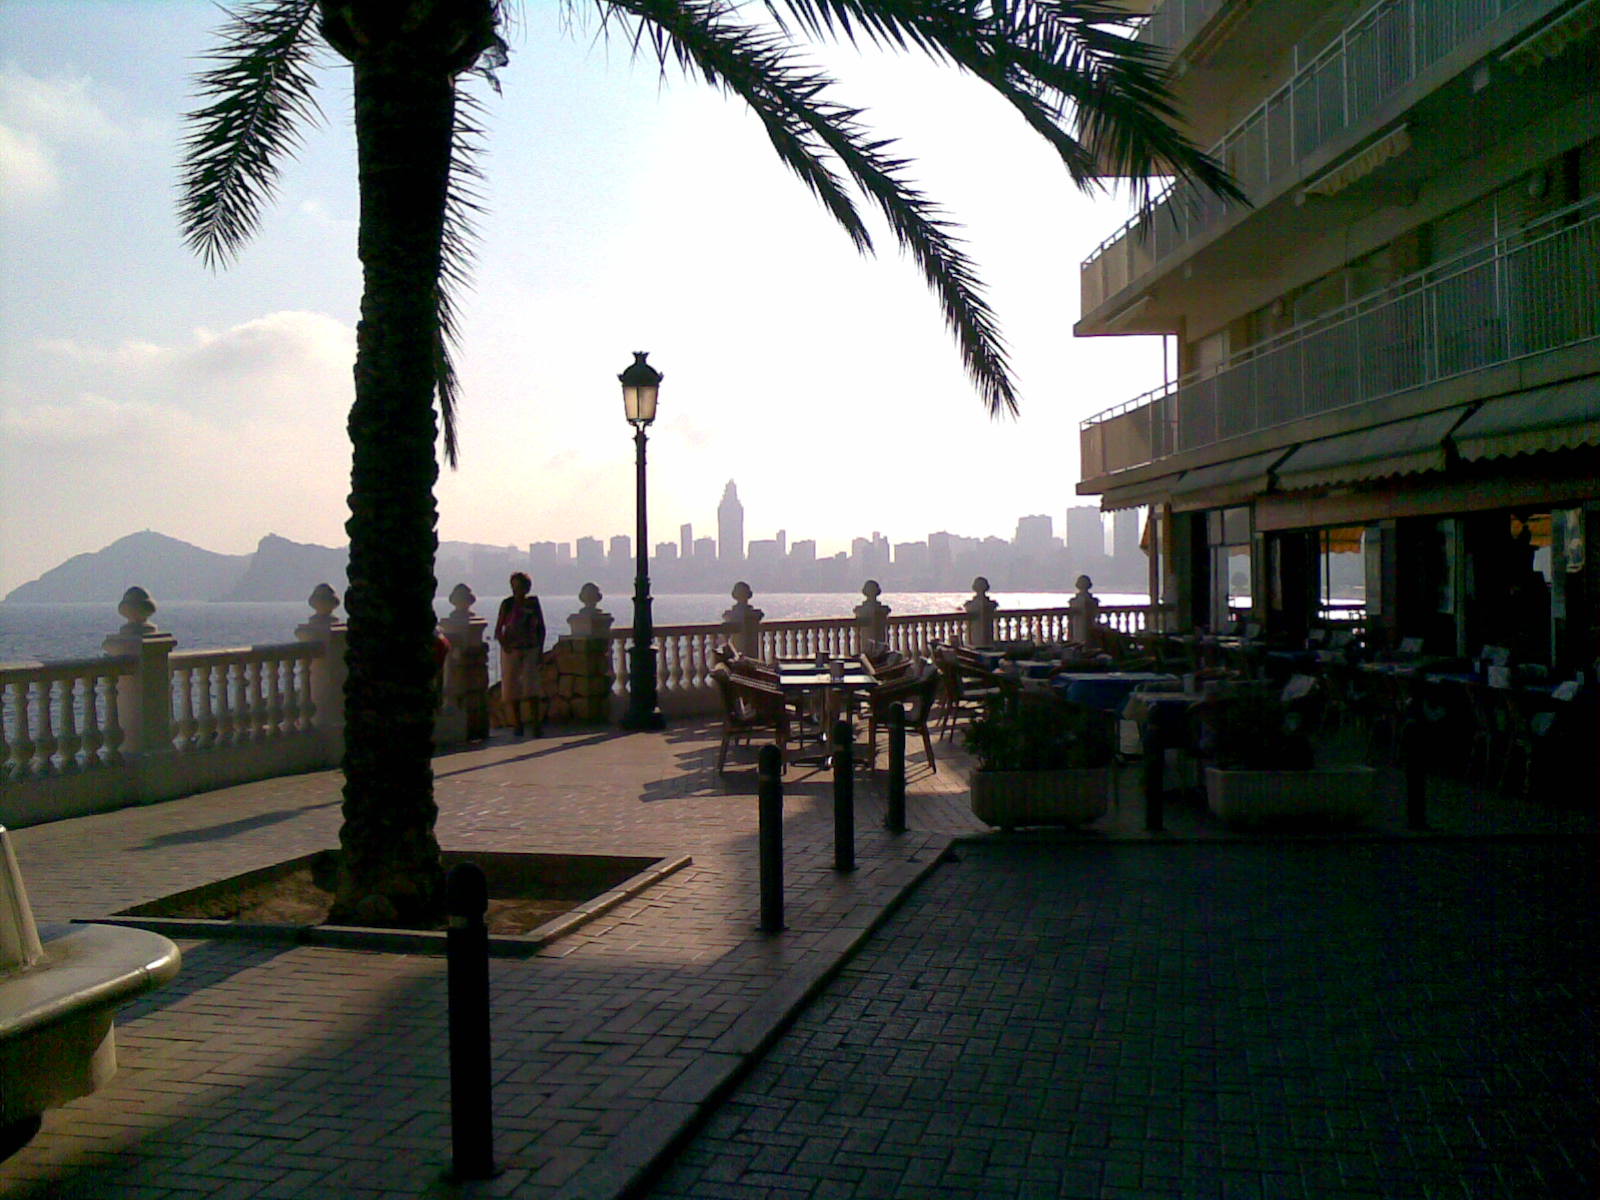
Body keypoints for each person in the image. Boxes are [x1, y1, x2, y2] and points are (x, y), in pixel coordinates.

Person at [494, 572, 545, 737]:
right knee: (511, 688)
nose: (517, 590)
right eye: (514, 586)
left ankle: (536, 724)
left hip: (530, 648)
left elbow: (541, 628)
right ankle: (518, 724)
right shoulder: (507, 604)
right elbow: (499, 628)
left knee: (532, 687)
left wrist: (540, 650)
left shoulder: (533, 604)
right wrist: (505, 645)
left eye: (521, 586)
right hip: (512, 650)